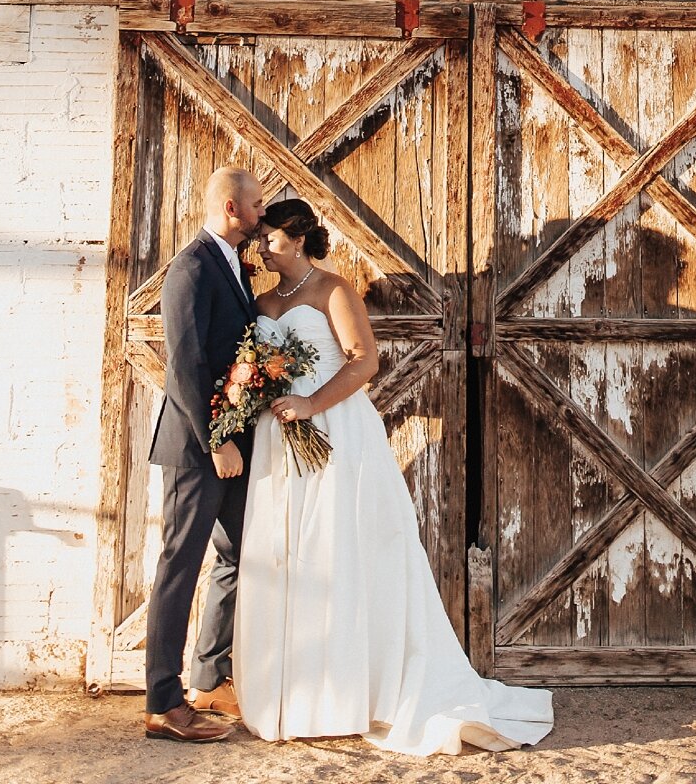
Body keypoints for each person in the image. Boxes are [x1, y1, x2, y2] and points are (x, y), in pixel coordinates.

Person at [234, 198, 553, 756]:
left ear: (299, 238)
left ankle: (353, 692)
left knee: (338, 552)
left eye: (270, 236)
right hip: (276, 438)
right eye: (260, 237)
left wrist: (310, 404)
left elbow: (364, 361)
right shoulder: (260, 301)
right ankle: (296, 692)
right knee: (287, 556)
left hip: (335, 430)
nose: (262, 245)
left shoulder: (334, 291)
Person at [143, 166, 265, 743]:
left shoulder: (234, 264)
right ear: (232, 208)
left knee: (241, 554)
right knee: (179, 566)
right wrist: (217, 440)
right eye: (257, 204)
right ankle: (162, 704)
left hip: (233, 444)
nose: (263, 213)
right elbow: (186, 364)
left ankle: (209, 679)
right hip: (198, 448)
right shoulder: (191, 266)